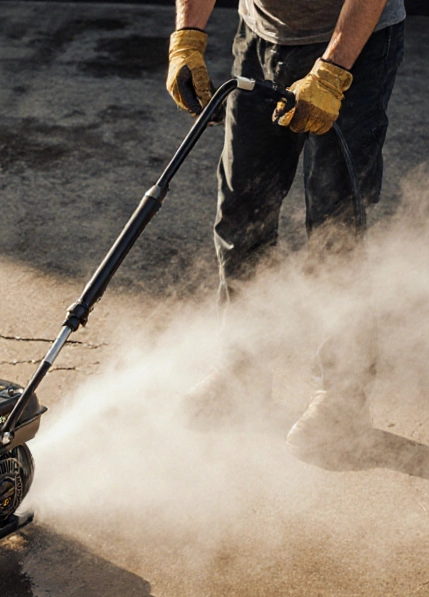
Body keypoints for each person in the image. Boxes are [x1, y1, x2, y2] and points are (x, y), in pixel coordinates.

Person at [167, 0, 404, 456]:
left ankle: (344, 397)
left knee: (337, 226)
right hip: (262, 37)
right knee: (242, 212)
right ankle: (242, 372)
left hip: (356, 42)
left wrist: (332, 71)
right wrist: (187, 37)